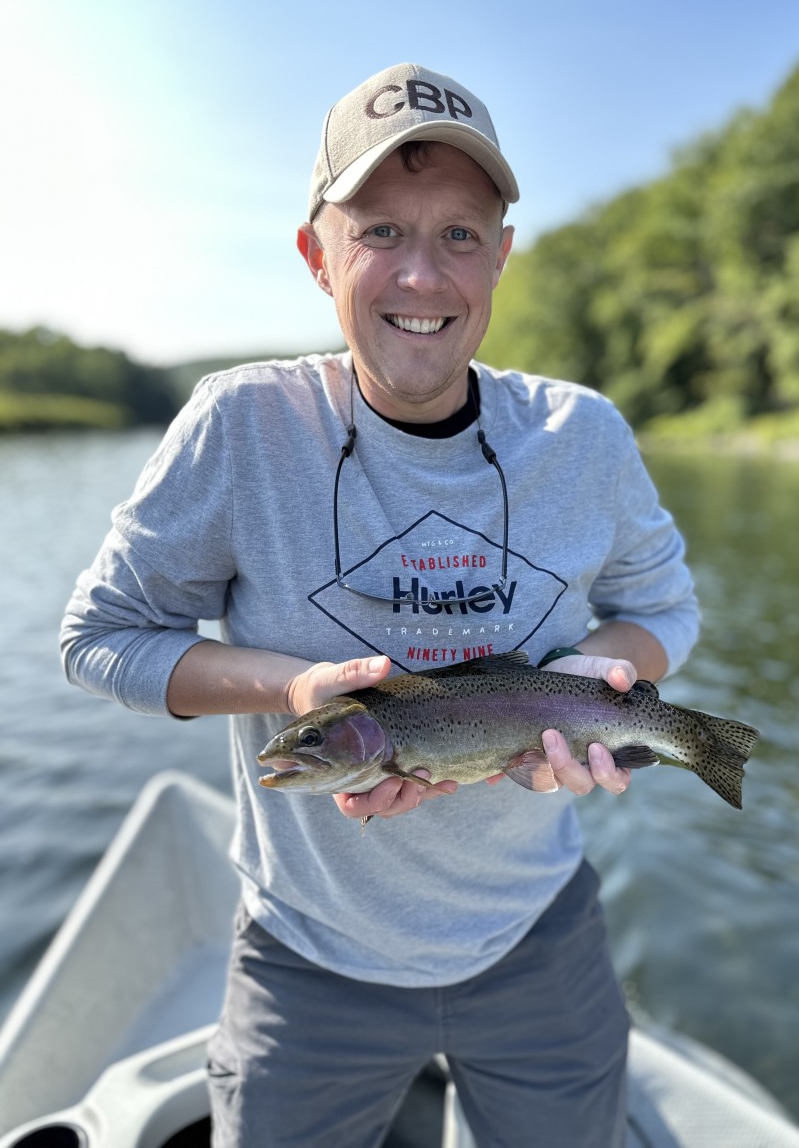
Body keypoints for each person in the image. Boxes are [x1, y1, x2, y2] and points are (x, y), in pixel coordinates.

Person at [61, 62, 699, 1147]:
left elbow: (662, 614)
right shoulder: (238, 428)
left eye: (460, 235)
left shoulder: (582, 435)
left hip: (538, 935)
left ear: (502, 256)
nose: (422, 274)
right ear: (317, 255)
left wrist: (603, 679)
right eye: (380, 232)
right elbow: (97, 640)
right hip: (308, 954)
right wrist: (292, 686)